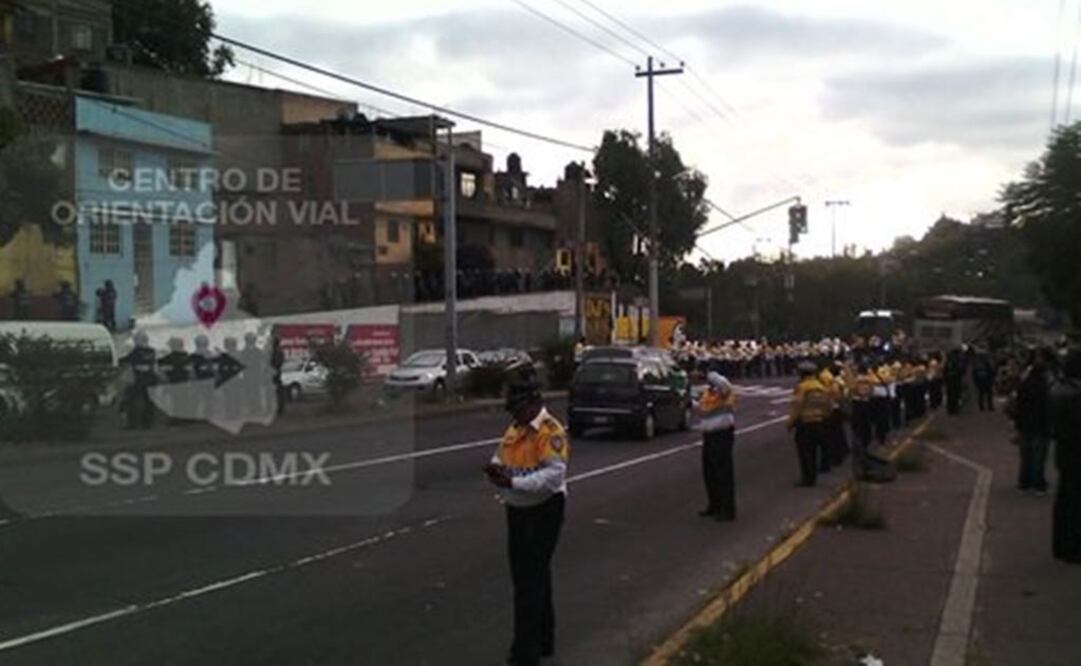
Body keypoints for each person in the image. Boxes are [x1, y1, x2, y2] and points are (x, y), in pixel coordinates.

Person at [484, 378, 569, 666]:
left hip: (543, 510)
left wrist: (513, 484)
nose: (514, 416)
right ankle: (545, 639)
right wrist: (496, 470)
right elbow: (500, 455)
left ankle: (525, 651)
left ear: (534, 404)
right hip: (518, 511)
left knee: (528, 582)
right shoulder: (516, 429)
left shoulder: (550, 432)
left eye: (518, 409)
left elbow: (552, 477)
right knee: (535, 577)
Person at [1049, 347, 1081, 563]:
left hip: (1066, 453)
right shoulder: (1075, 396)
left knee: (1066, 501)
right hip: (1076, 453)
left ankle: (1062, 546)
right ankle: (1072, 548)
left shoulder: (1060, 389)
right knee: (1074, 504)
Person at [696, 372, 737, 521]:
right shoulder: (708, 393)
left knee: (723, 473)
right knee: (709, 472)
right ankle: (715, 504)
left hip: (722, 434)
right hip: (709, 435)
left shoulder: (725, 391)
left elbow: (724, 385)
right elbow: (701, 408)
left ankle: (727, 509)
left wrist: (709, 374)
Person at [788, 362, 832, 487]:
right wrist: (825, 416)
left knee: (805, 452)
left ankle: (807, 478)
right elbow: (828, 404)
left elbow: (797, 406)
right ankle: (812, 477)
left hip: (805, 422)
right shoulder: (821, 386)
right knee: (814, 450)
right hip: (819, 421)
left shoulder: (802, 387)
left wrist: (790, 422)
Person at [1014, 351, 1052, 495]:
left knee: (1026, 455)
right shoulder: (1046, 387)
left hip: (1025, 424)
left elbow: (1018, 404)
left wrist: (1017, 423)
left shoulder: (1024, 385)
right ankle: (1038, 484)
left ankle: (1024, 483)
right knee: (1039, 457)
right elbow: (1048, 407)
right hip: (1041, 425)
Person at [119, 332, 158, 429]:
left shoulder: (136, 351)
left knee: (132, 401)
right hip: (151, 378)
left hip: (138, 380)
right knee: (149, 401)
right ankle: (147, 423)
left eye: (135, 340)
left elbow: (126, 360)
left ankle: (132, 423)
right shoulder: (152, 351)